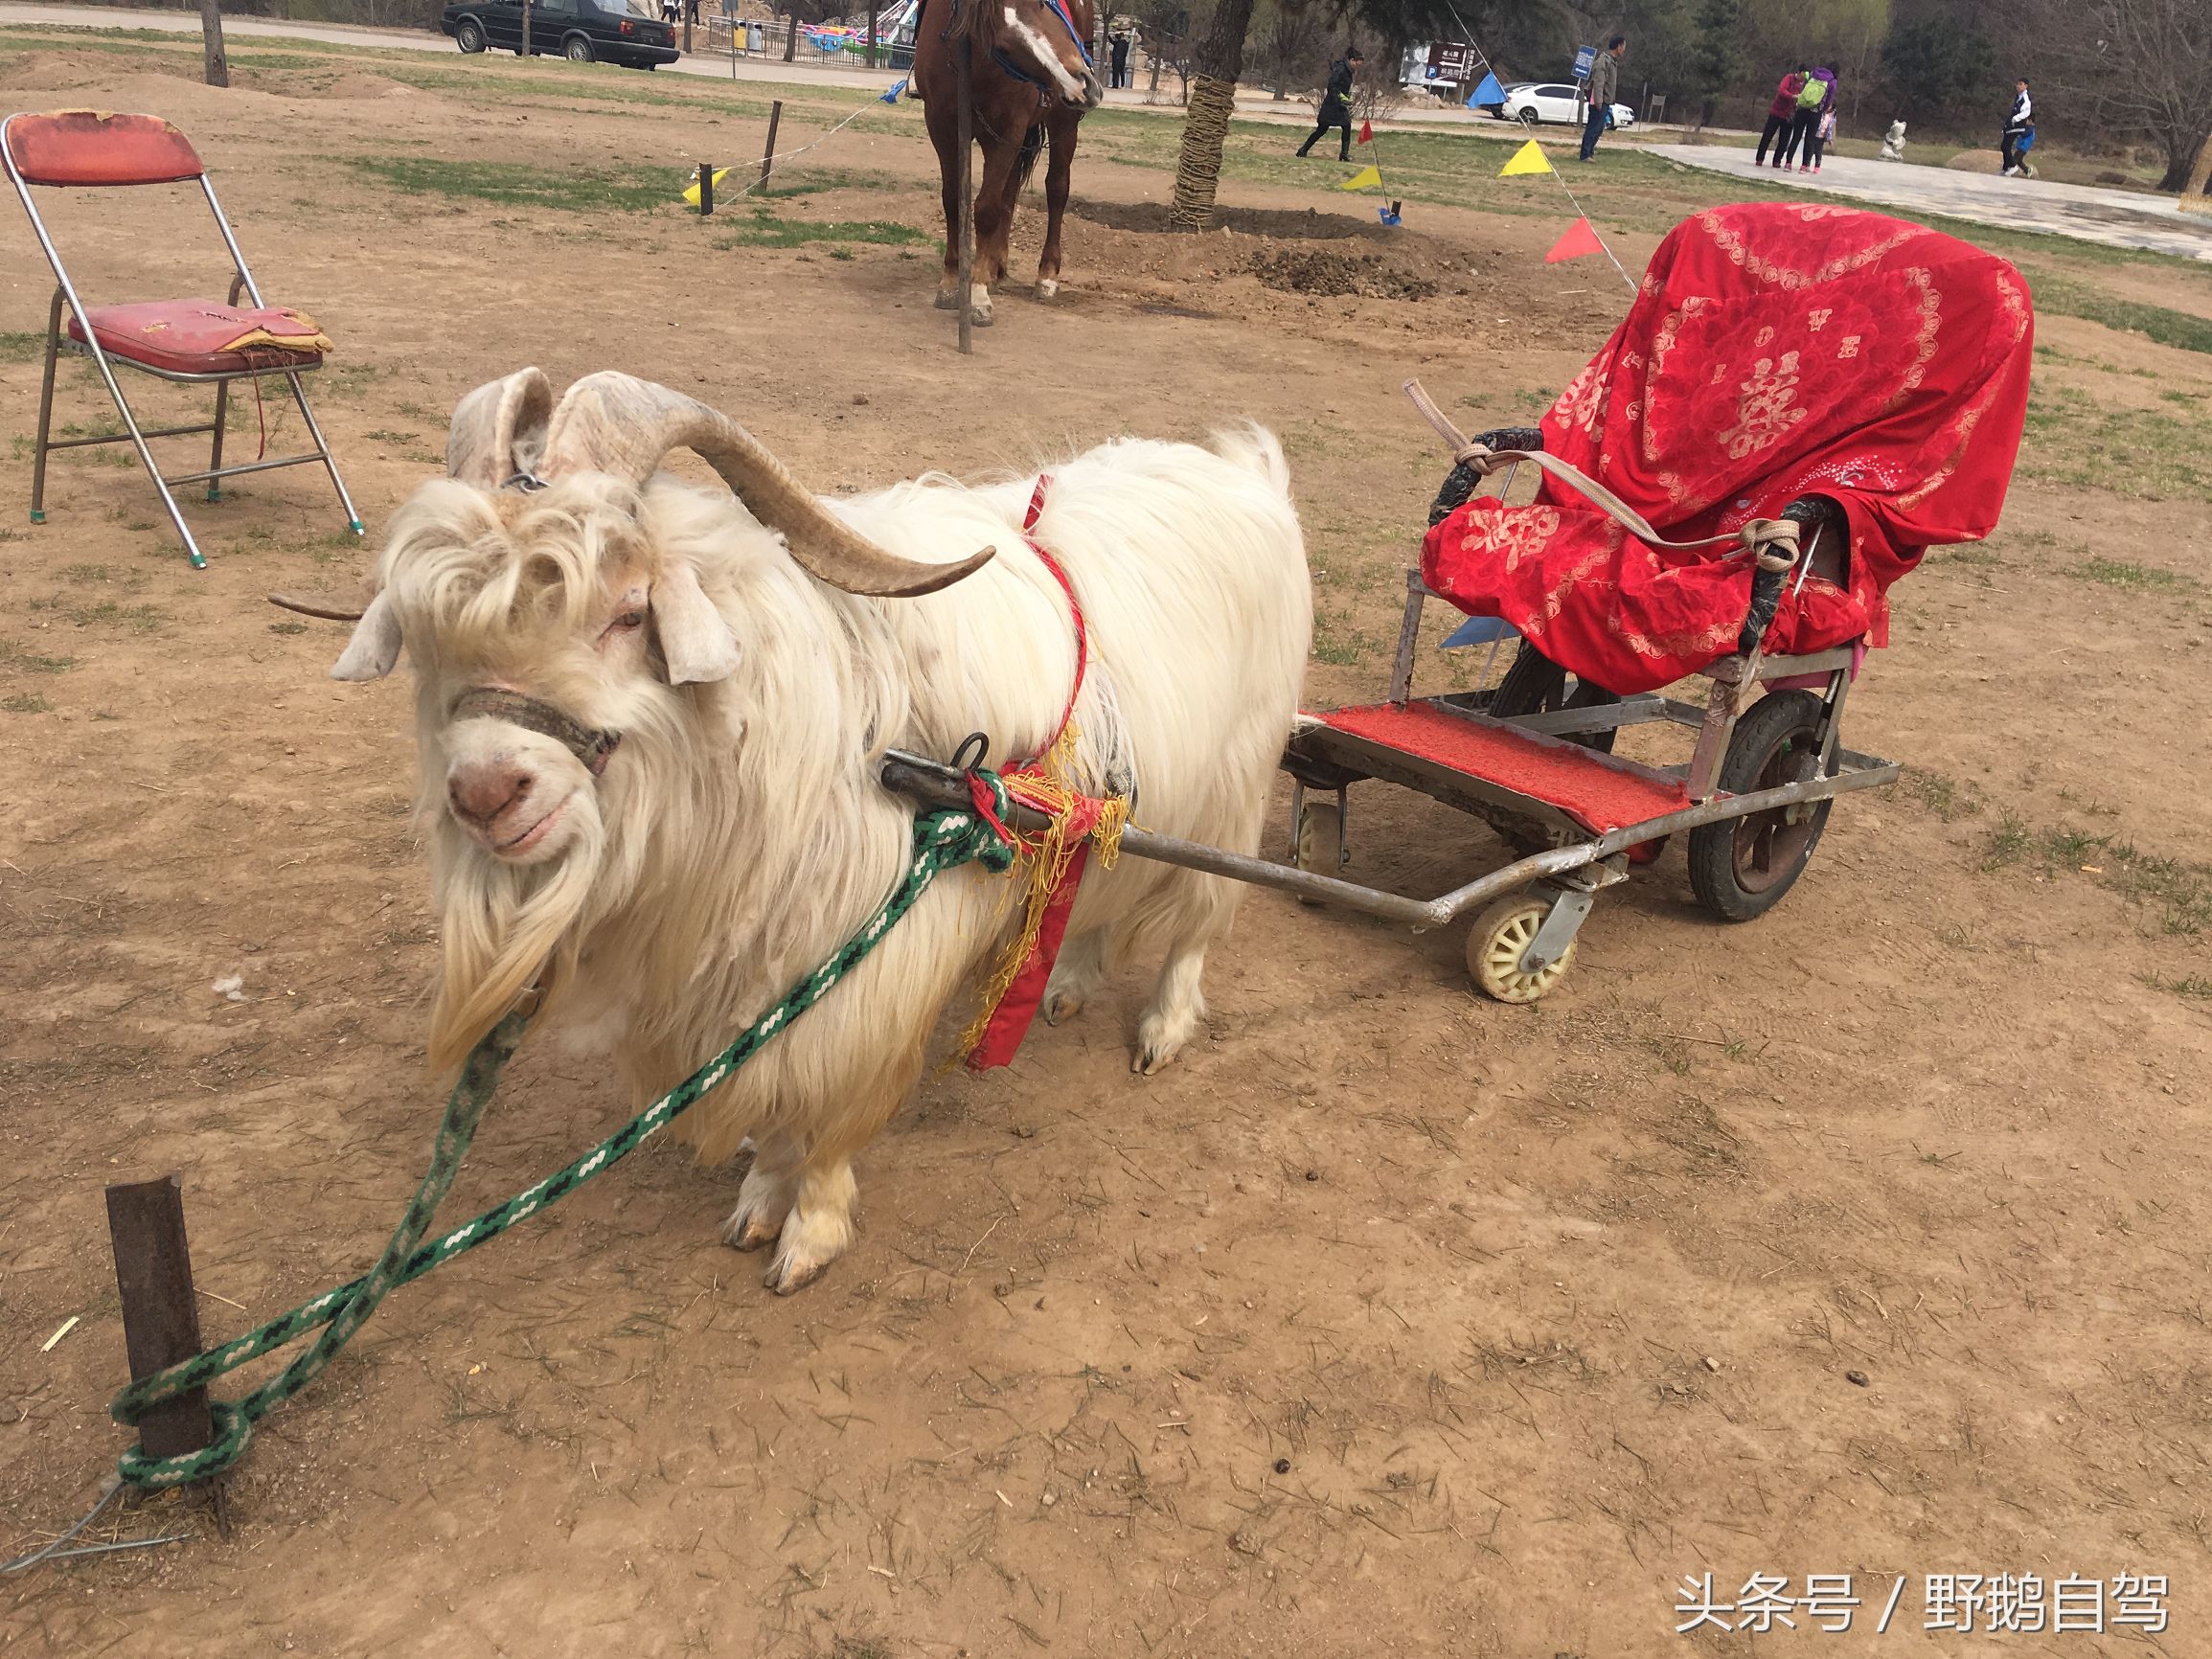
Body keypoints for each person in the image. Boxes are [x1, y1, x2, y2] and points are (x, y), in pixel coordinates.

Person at [1297, 49, 1363, 161]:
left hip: (1340, 105)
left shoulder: (1349, 71)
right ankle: (1303, 150)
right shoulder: (1341, 69)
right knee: (1322, 129)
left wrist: (1346, 98)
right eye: (1357, 63)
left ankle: (1344, 154)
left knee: (1347, 125)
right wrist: (1339, 97)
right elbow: (1332, 85)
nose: (1358, 66)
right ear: (1351, 60)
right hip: (1332, 105)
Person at [1779, 62, 1834, 171]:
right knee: (1810, 139)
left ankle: (1788, 163)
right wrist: (1823, 108)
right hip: (1815, 112)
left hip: (1802, 109)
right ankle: (1804, 166)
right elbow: (1829, 100)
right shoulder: (1830, 81)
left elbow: (1803, 89)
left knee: (1796, 136)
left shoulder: (1812, 75)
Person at [1580, 34, 1625, 163]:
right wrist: (1598, 102)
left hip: (1605, 101)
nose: (1624, 49)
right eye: (1623, 46)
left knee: (1598, 129)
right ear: (1618, 46)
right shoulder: (1603, 61)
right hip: (1598, 102)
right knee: (1593, 128)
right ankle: (1585, 155)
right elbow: (1598, 83)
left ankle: (1590, 152)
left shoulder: (1612, 62)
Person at [1757, 65, 1807, 166]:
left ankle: (1777, 160)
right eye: (1804, 73)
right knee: (1767, 135)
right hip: (1777, 111)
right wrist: (1792, 96)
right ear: (1800, 72)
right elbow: (1782, 90)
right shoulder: (1789, 78)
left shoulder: (1804, 85)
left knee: (1784, 140)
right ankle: (1760, 158)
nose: (1805, 76)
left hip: (1789, 115)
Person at [2002, 78, 2033, 175]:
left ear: (2026, 86)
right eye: (2017, 84)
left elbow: (2026, 112)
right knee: (2004, 146)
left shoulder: (2026, 98)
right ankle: (2007, 167)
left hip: (2017, 125)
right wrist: (2006, 126)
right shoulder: (2019, 97)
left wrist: (2016, 119)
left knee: (2006, 145)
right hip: (2012, 125)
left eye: (2021, 84)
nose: (2018, 86)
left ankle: (2011, 166)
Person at [1810, 104, 1836, 171]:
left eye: (1830, 106)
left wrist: (1830, 139)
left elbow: (1829, 129)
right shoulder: (1820, 113)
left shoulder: (1831, 117)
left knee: (1818, 153)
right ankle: (1806, 165)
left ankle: (1817, 167)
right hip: (1814, 135)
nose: (1828, 107)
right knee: (1810, 151)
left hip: (1821, 138)